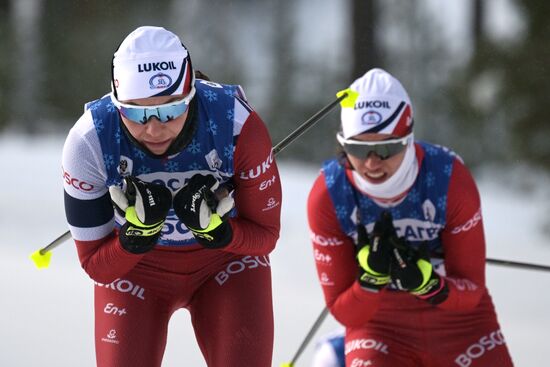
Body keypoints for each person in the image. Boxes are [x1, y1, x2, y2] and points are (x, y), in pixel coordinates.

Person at [61, 26, 281, 367]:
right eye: (135, 112)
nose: (153, 127)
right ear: (116, 101)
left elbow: (265, 237)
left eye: (169, 110)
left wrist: (219, 233)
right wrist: (135, 239)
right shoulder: (89, 140)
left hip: (225, 263)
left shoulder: (236, 124)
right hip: (136, 272)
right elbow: (96, 266)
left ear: (190, 95)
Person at [306, 68, 514, 366]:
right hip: (380, 323)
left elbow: (471, 289)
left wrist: (429, 284)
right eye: (357, 148)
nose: (371, 162)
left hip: (460, 322)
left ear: (409, 138)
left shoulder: (448, 178)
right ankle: (337, 352)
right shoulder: (329, 193)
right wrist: (371, 280)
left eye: (386, 147)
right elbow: (344, 311)